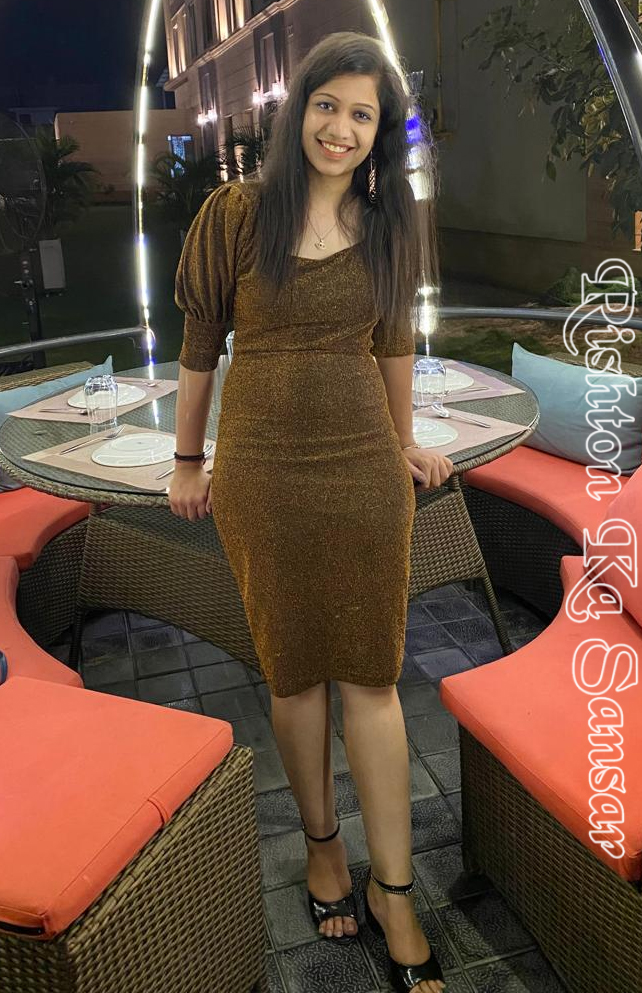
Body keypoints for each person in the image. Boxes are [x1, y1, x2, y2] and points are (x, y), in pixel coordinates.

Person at [170, 30, 453, 993]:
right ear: (299, 110)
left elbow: (394, 348)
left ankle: (395, 890)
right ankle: (324, 849)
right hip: (261, 475)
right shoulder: (238, 214)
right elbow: (200, 343)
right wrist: (187, 459)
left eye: (361, 114)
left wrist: (404, 441)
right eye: (327, 105)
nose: (340, 128)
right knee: (294, 676)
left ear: (379, 131)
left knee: (372, 676)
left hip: (364, 472)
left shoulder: (387, 226)